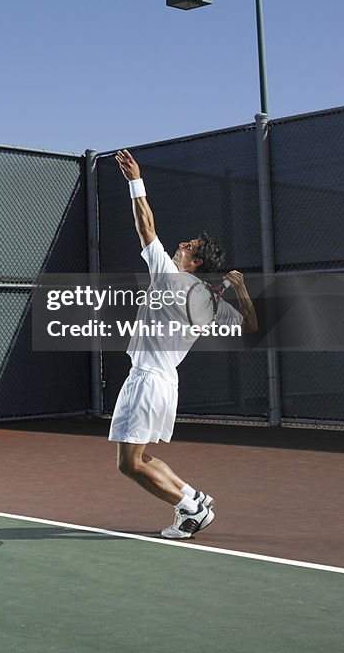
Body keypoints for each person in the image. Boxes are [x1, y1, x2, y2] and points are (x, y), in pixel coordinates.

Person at [110, 149, 258, 540]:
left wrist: (134, 181)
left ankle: (190, 510)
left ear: (192, 263)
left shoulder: (168, 276)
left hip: (146, 381)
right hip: (164, 383)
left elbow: (145, 225)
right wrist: (241, 290)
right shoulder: (208, 298)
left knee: (129, 465)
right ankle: (195, 496)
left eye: (188, 246)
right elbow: (249, 326)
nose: (181, 244)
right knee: (141, 456)